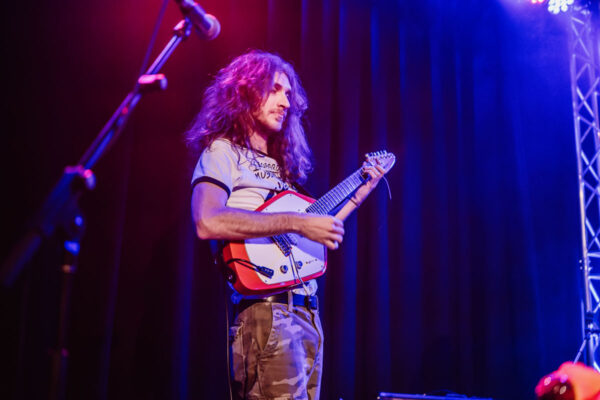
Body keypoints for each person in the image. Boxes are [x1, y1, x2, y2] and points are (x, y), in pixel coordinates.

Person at [188, 50, 387, 400]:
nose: (285, 102)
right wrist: (297, 222)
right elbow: (207, 220)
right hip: (267, 313)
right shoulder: (222, 152)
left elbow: (316, 233)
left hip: (306, 314)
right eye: (275, 90)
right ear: (246, 91)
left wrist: (360, 193)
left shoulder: (283, 171)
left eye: (289, 94)